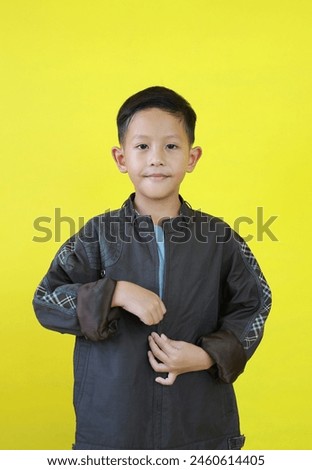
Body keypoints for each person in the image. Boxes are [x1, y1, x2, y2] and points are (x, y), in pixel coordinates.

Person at [33, 86, 272, 450]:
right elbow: (46, 300)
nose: (156, 159)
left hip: (198, 421)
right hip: (113, 424)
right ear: (121, 158)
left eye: (171, 146)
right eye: (142, 146)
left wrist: (208, 356)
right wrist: (114, 292)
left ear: (192, 157)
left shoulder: (219, 238)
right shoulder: (98, 235)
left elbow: (255, 305)